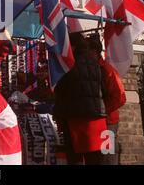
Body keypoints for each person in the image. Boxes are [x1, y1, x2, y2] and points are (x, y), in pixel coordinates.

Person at [53, 33, 107, 165]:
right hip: (97, 118)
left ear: (73, 46)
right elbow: (103, 90)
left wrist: (58, 114)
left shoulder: (68, 64)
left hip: (76, 118)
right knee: (95, 158)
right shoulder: (96, 64)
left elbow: (61, 92)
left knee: (75, 157)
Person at [87, 35, 126, 165]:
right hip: (97, 119)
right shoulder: (92, 69)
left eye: (88, 51)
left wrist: (103, 110)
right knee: (98, 157)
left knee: (107, 157)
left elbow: (120, 98)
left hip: (107, 121)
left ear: (94, 51)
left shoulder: (107, 71)